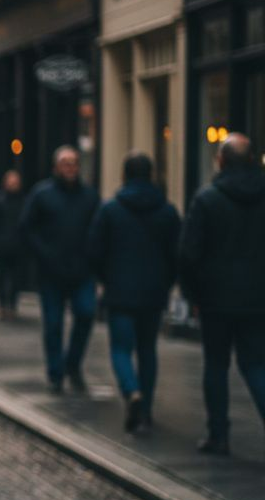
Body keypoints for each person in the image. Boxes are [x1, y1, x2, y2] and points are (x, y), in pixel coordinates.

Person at [179, 132, 265, 456]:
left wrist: (193, 295)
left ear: (221, 161)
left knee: (216, 366)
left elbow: (189, 254)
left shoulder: (207, 198)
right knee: (256, 365)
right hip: (257, 298)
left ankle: (219, 435)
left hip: (215, 299)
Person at [86, 152, 181, 434]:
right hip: (153, 292)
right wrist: (166, 282)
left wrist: (106, 278)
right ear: (151, 175)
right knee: (147, 349)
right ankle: (146, 408)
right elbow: (177, 254)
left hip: (120, 291)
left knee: (121, 348)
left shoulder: (111, 210)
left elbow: (94, 251)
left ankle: (132, 392)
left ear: (124, 175)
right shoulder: (167, 211)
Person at [19, 145, 100, 393]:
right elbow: (27, 228)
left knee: (86, 314)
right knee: (53, 325)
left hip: (82, 271)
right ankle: (56, 373)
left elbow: (98, 230)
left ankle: (72, 364)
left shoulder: (90, 196)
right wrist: (44, 255)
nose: (70, 167)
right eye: (65, 163)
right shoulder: (42, 194)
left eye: (74, 163)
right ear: (56, 167)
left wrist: (91, 258)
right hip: (50, 272)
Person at [0, 170, 28, 320]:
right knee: (1, 277)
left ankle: (12, 305)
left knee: (16, 278)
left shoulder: (24, 201)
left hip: (18, 246)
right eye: (11, 182)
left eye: (15, 182)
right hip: (1, 245)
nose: (13, 184)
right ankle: (3, 304)